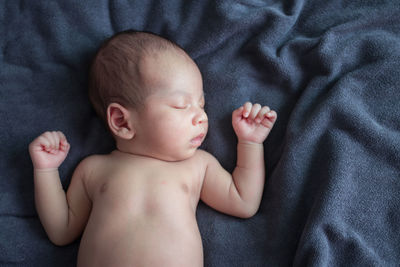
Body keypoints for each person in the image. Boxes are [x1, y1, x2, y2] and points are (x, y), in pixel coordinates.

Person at [29, 30, 277, 267]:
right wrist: (46, 171)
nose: (201, 116)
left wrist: (250, 143)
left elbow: (244, 202)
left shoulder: (197, 165)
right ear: (122, 121)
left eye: (201, 104)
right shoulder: (94, 169)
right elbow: (61, 230)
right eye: (182, 105)